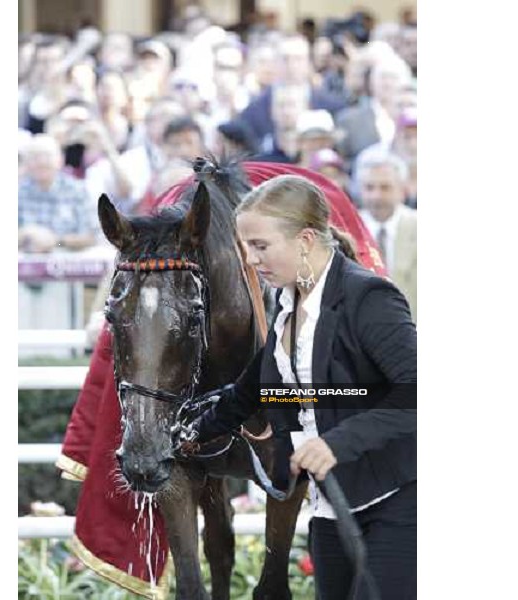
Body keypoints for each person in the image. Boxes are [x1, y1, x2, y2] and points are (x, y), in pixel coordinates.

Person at [179, 174, 417, 600]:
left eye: (260, 246)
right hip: (330, 505)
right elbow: (257, 390)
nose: (250, 260)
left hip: (399, 501)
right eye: (245, 247)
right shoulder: (288, 304)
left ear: (306, 240)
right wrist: (193, 432)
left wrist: (337, 443)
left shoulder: (369, 298)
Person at [356, 150, 417, 321]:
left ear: (402, 190)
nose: (376, 195)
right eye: (369, 187)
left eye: (385, 187)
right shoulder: (346, 231)